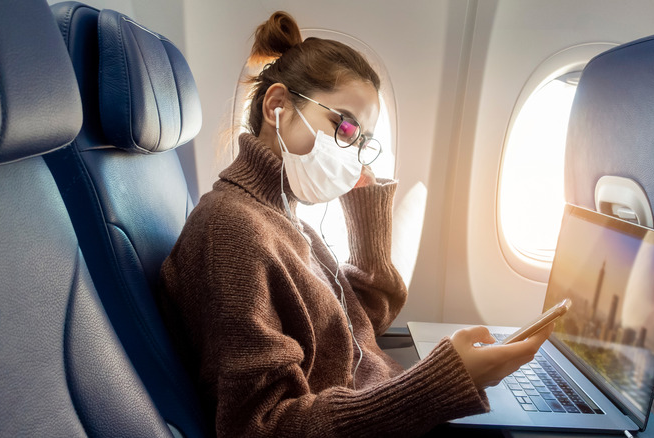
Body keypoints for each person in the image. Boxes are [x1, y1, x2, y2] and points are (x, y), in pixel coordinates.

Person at [157, 11, 553, 438]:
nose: (351, 150)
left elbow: (356, 324)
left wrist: (365, 207)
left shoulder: (288, 221)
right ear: (278, 105)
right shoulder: (231, 230)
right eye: (344, 125)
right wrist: (440, 384)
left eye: (362, 140)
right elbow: (262, 427)